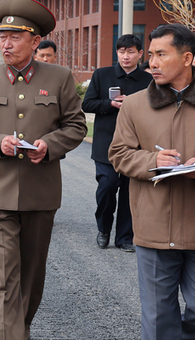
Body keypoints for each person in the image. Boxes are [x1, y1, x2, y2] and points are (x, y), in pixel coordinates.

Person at [0, 0, 87, 340]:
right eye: (3, 37)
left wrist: (50, 145)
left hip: (40, 192)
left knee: (31, 273)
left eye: (15, 37)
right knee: (4, 274)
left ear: (35, 41)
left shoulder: (59, 78)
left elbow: (76, 126)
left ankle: (21, 328)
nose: (6, 44)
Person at [109, 23, 195, 340]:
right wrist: (153, 161)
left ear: (187, 58)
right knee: (158, 318)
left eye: (161, 54)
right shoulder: (134, 104)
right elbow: (119, 154)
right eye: (150, 55)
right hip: (153, 226)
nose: (152, 62)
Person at [82, 34, 152, 253]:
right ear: (117, 53)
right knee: (107, 187)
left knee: (130, 193)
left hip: (136, 146)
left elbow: (155, 109)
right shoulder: (102, 74)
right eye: (121, 52)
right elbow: (87, 104)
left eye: (130, 52)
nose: (125, 56)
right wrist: (110, 103)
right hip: (106, 144)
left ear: (140, 54)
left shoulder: (148, 80)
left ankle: (125, 237)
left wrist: (134, 105)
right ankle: (103, 229)